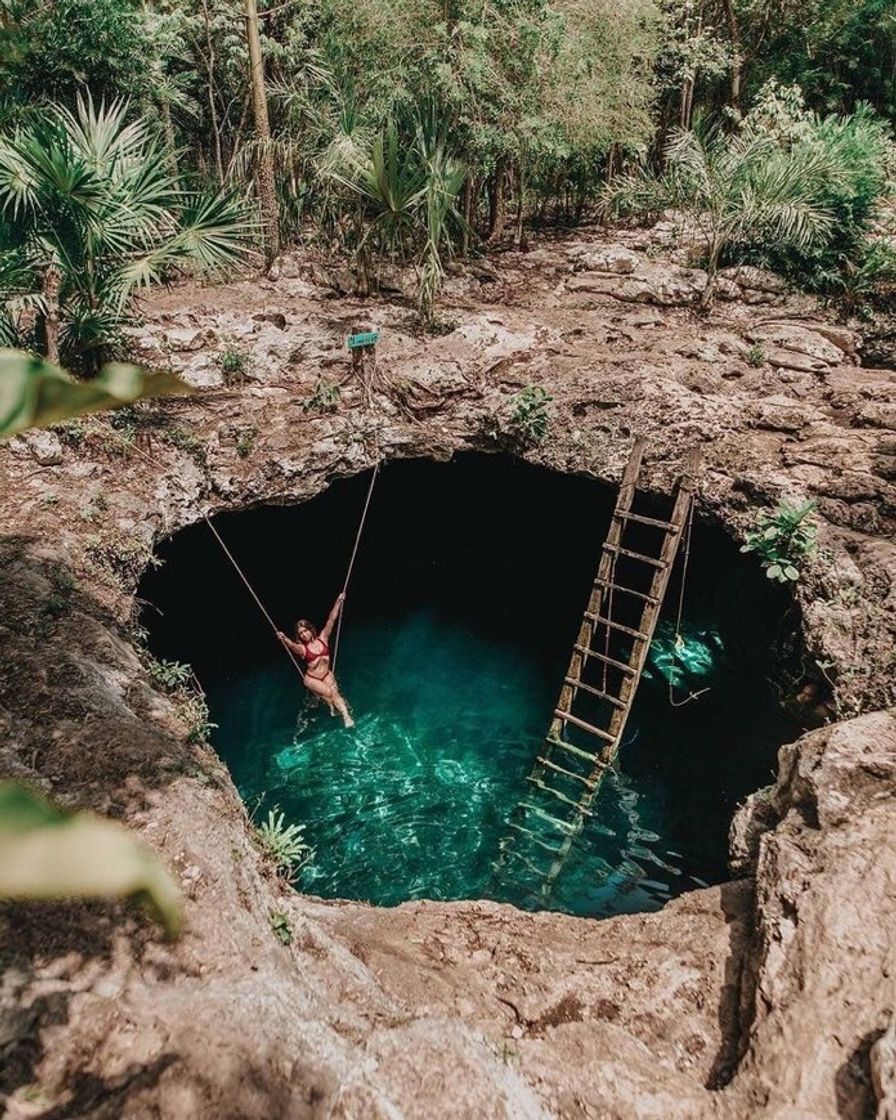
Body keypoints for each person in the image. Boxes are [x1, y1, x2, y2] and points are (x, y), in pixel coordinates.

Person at [277, 593, 354, 728]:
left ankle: (346, 716)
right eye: (301, 633)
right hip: (312, 678)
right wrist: (284, 639)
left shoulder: (323, 638)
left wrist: (338, 602)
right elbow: (293, 647)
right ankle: (332, 704)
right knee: (330, 693)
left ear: (310, 629)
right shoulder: (303, 649)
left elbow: (331, 620)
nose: (304, 635)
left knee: (335, 694)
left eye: (305, 631)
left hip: (325, 674)